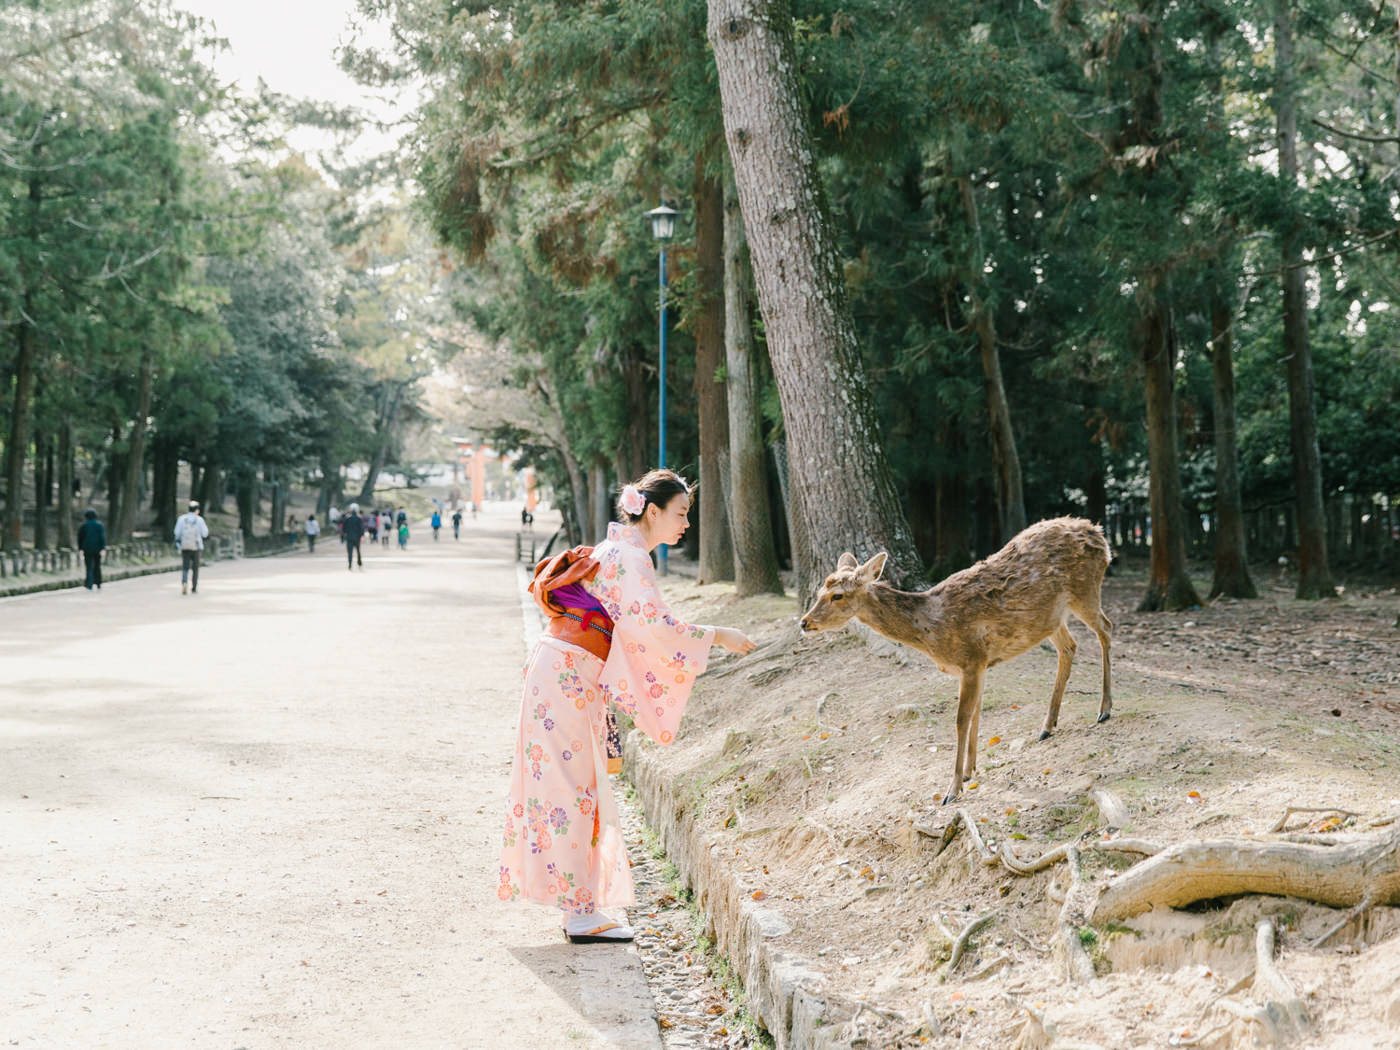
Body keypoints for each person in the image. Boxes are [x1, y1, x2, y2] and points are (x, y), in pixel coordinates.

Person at [498, 469, 756, 944]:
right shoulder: (629, 559)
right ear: (652, 512)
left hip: (565, 672)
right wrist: (719, 635)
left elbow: (641, 628)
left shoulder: (619, 552)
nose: (685, 525)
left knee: (573, 787)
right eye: (680, 514)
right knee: (573, 790)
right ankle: (579, 912)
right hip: (569, 674)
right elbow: (656, 629)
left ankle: (580, 906)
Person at [173, 501, 209, 595]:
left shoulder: (182, 519)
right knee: (195, 567)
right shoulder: (199, 520)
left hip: (185, 546)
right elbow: (205, 533)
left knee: (185, 566)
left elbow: (177, 533)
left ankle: (184, 582)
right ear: (197, 510)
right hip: (196, 546)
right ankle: (194, 587)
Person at [76, 508, 106, 591]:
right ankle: (98, 583)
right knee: (97, 566)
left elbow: (80, 538)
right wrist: (102, 548)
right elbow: (102, 537)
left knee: (89, 567)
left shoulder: (84, 526)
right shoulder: (99, 525)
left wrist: (80, 548)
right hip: (97, 548)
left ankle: (89, 585)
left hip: (87, 548)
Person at [343, 502, 366, 570]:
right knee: (358, 550)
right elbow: (361, 528)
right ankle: (359, 563)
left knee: (350, 551)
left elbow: (344, 528)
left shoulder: (348, 518)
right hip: (357, 537)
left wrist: (346, 533)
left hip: (349, 537)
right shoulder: (359, 518)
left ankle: (350, 564)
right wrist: (362, 535)